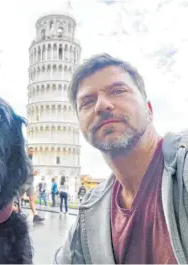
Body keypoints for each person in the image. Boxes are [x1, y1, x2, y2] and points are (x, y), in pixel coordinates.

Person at [54, 54, 188, 264]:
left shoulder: (183, 167)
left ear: (149, 109)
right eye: (87, 102)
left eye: (118, 91)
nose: (102, 105)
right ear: (80, 125)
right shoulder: (89, 214)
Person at [20, 147, 44, 222]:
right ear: (28, 151)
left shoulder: (31, 159)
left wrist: (34, 173)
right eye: (30, 151)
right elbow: (23, 170)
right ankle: (18, 213)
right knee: (18, 198)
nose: (32, 152)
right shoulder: (25, 159)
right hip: (24, 182)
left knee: (32, 199)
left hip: (30, 183)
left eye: (33, 151)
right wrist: (32, 173)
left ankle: (35, 215)